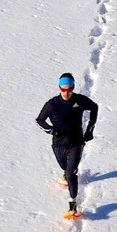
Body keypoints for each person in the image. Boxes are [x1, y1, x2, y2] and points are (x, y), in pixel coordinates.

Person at [36, 73, 99, 218]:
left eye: (69, 89)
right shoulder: (52, 105)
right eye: (63, 90)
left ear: (73, 88)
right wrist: (51, 130)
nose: (66, 93)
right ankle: (67, 174)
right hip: (58, 144)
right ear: (59, 88)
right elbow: (40, 120)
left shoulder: (79, 100)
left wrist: (90, 129)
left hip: (76, 142)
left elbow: (94, 107)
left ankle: (73, 206)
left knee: (71, 173)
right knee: (64, 167)